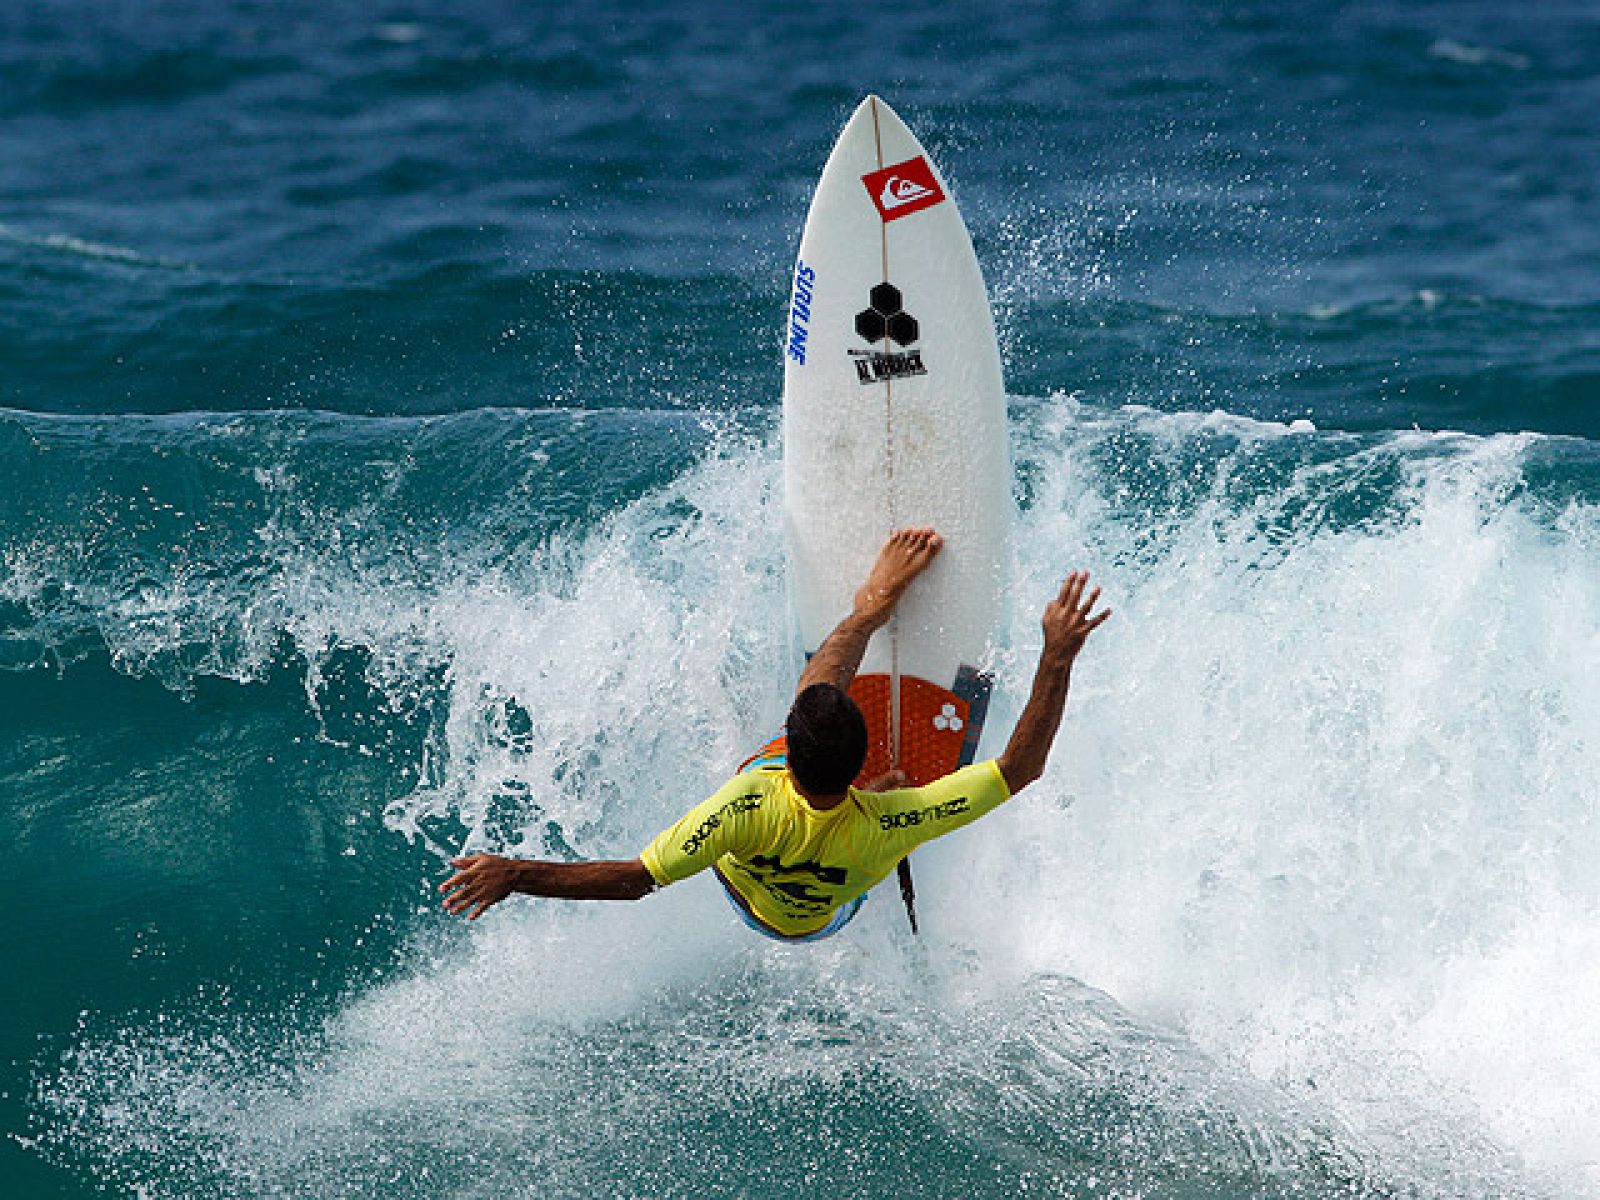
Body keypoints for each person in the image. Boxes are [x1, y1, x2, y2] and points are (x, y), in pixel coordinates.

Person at [440, 528, 1110, 941]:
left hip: (750, 896)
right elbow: (1020, 769)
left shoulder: (743, 806)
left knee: (814, 697)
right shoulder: (894, 821)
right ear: (856, 772)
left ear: (789, 761)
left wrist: (514, 874)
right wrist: (1056, 656)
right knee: (895, 798)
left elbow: (633, 880)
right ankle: (866, 730)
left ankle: (866, 612)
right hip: (827, 916)